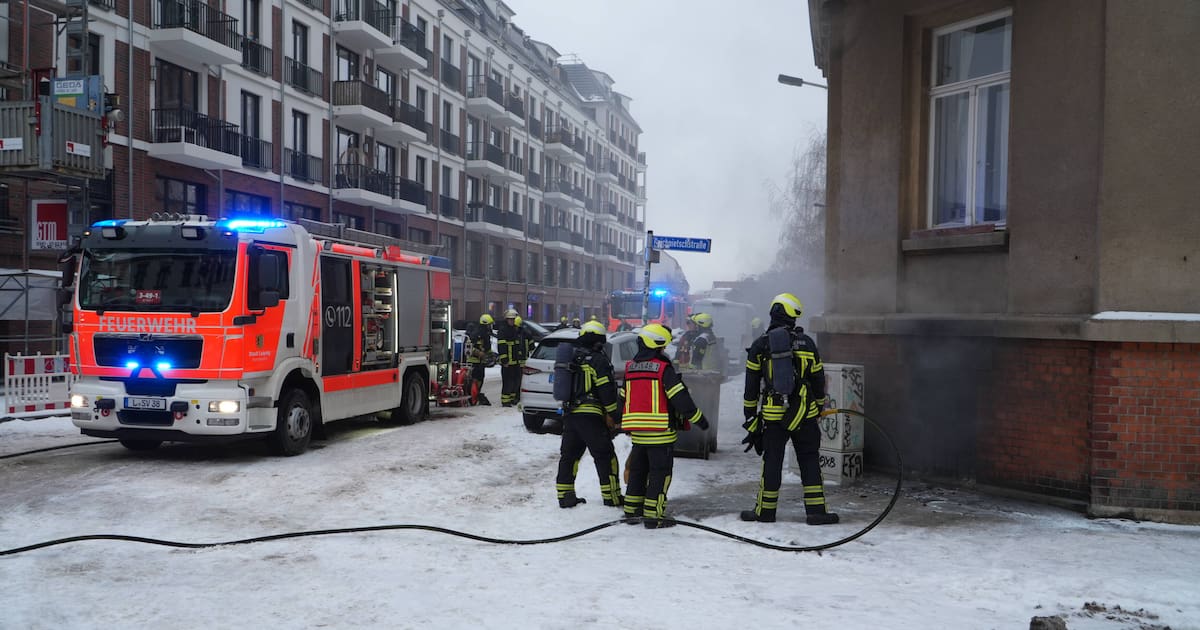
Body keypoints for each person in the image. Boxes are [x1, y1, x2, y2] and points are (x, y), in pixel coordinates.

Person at [740, 293, 838, 525]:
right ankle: (816, 512)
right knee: (809, 460)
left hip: (774, 417)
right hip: (804, 414)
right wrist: (816, 406)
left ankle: (765, 511)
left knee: (772, 462)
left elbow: (751, 387)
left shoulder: (761, 344)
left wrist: (751, 419)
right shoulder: (808, 343)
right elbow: (817, 379)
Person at [621, 323, 709, 529]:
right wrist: (699, 420)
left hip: (638, 435)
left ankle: (632, 512)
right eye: (662, 347)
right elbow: (680, 398)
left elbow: (622, 399)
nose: (664, 351)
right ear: (657, 345)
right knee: (660, 474)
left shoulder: (630, 368)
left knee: (637, 472)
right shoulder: (663, 369)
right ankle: (654, 517)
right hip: (660, 434)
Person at [555, 320, 624, 509]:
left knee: (569, 456)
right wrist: (614, 415)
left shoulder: (572, 358)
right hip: (591, 416)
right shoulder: (598, 360)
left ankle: (565, 496)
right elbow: (606, 391)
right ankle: (612, 497)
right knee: (605, 455)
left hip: (570, 415)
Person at [467, 313, 494, 406]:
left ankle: (476, 395)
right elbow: (469, 347)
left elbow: (487, 348)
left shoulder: (486, 335)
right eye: (489, 325)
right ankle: (473, 397)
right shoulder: (476, 334)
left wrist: (491, 356)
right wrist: (478, 353)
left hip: (481, 362)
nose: (490, 327)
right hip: (473, 362)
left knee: (480, 379)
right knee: (474, 380)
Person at [496, 309, 522, 407]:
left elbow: (517, 345)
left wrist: (519, 357)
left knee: (515, 381)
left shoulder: (514, 329)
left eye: (513, 319)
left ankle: (512, 399)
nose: (512, 321)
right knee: (507, 381)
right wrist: (504, 360)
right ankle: (505, 401)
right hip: (508, 362)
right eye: (510, 319)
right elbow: (501, 347)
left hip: (515, 361)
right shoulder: (503, 330)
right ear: (506, 320)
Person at [514, 315, 531, 403]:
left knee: (519, 380)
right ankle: (516, 396)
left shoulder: (520, 334)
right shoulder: (526, 333)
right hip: (520, 360)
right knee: (518, 379)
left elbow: (530, 346)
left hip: (521, 360)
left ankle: (517, 396)